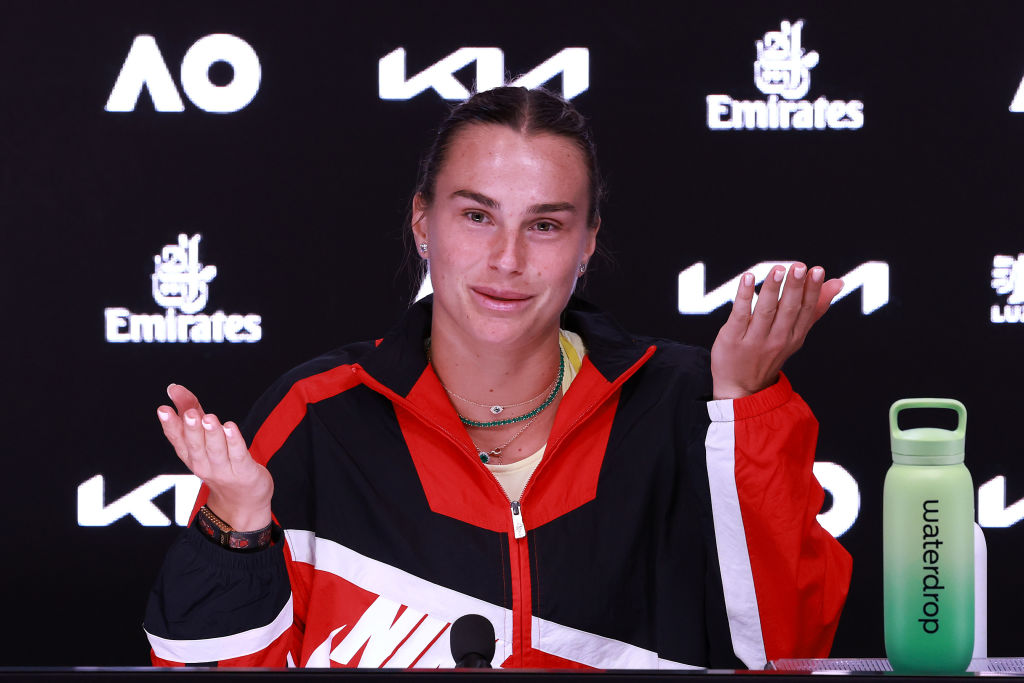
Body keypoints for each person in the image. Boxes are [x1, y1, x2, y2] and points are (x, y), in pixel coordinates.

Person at [144, 86, 851, 670]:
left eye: (545, 225)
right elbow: (202, 668)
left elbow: (786, 650)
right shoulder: (316, 413)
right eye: (478, 215)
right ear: (423, 224)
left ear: (587, 242)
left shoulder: (689, 405)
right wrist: (235, 527)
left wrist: (744, 406)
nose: (507, 259)